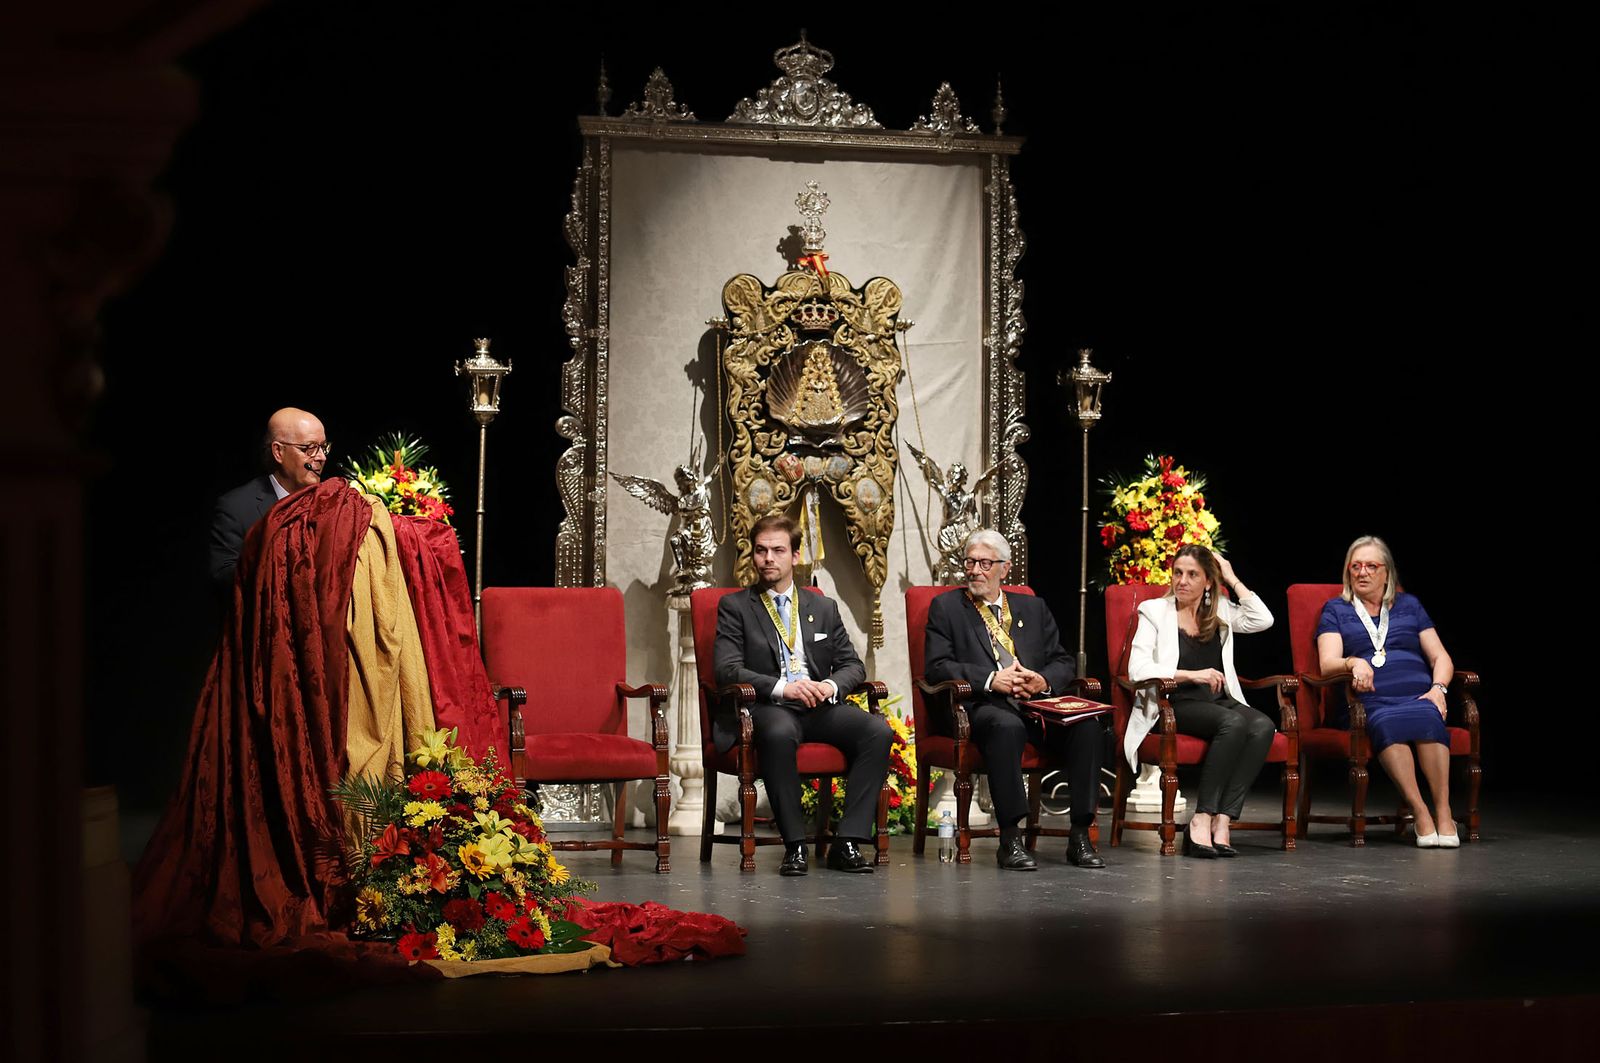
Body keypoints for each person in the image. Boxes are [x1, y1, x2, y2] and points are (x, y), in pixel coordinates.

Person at [713, 513, 892, 875]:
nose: (768, 558)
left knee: (877, 731)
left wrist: (829, 686)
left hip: (817, 705)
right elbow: (727, 670)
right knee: (779, 733)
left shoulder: (822, 607)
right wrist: (783, 687)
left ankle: (847, 842)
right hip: (769, 705)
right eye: (761, 550)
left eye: (778, 550)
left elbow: (852, 665)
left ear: (795, 556)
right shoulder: (736, 607)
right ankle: (795, 846)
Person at [924, 528, 1105, 870]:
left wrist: (1042, 681)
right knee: (1006, 726)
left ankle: (1080, 836)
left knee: (1088, 728)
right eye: (970, 562)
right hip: (981, 706)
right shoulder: (947, 608)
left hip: (1035, 706)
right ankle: (1010, 839)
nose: (975, 570)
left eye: (985, 563)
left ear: (1005, 568)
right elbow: (936, 667)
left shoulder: (1032, 607)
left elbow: (1062, 660)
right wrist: (992, 680)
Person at [1125, 545, 1275, 857]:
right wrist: (1191, 675)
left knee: (1263, 726)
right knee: (1233, 723)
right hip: (1173, 703)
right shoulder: (1155, 611)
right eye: (1178, 573)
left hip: (1217, 701)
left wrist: (1230, 577)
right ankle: (1201, 818)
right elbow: (1137, 669)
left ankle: (1223, 819)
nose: (1182, 581)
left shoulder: (1219, 611)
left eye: (1193, 574)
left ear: (1208, 581)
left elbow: (1263, 620)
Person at [1316, 535, 1458, 848]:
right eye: (1355, 566)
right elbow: (1327, 664)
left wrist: (1438, 689)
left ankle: (1443, 811)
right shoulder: (1336, 609)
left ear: (1387, 572)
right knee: (1387, 720)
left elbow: (1440, 657)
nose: (1362, 573)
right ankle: (1420, 812)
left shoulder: (1409, 605)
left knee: (1428, 714)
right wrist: (1353, 662)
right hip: (1368, 700)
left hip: (1418, 695)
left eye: (1371, 566)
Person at [209, 407, 328, 593]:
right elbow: (223, 577)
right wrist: (281, 563)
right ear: (278, 452)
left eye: (323, 447)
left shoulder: (329, 500)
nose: (321, 457)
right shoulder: (236, 507)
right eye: (309, 448)